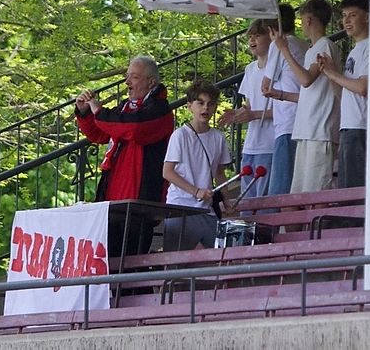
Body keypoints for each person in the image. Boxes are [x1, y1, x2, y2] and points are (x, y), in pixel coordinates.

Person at [74, 55, 174, 255]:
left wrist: (99, 112)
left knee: (131, 263)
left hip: (139, 200)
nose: (127, 82)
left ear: (151, 82)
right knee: (109, 260)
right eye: (127, 76)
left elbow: (134, 128)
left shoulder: (160, 109)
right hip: (112, 198)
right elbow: (100, 133)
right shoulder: (126, 109)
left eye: (134, 77)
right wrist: (84, 112)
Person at [271, 0, 340, 193]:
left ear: (309, 19)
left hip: (320, 129)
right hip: (308, 128)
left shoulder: (324, 45)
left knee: (315, 189)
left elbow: (306, 79)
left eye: (302, 20)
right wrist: (282, 95)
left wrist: (284, 49)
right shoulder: (313, 49)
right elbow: (307, 92)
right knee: (298, 192)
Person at [162, 80, 233, 251]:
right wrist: (196, 191)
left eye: (210, 104)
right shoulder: (180, 135)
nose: (205, 108)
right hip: (180, 208)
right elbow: (167, 172)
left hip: (206, 210)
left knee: (223, 255)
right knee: (174, 263)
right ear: (189, 106)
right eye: (200, 103)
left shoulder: (218, 137)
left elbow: (219, 172)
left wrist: (227, 198)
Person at [218, 18, 277, 201]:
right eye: (250, 37)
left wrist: (253, 114)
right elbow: (250, 107)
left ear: (271, 36)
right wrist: (235, 114)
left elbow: (285, 110)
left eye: (257, 36)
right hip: (251, 145)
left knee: (264, 201)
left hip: (270, 144)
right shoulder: (250, 69)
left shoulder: (278, 67)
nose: (252, 41)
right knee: (246, 203)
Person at [319, 0, 369, 188]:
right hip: (348, 125)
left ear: (367, 17)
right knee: (345, 188)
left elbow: (363, 87)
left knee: (354, 189)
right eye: (344, 16)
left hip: (360, 125)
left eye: (353, 15)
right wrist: (330, 73)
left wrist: (334, 74)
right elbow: (345, 92)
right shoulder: (355, 50)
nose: (346, 21)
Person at [261, 4, 309, 196]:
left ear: (272, 30)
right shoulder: (304, 45)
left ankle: (273, 226)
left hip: (287, 121)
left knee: (280, 186)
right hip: (304, 118)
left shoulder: (279, 45)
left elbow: (265, 84)